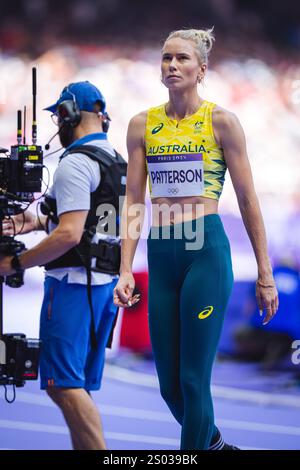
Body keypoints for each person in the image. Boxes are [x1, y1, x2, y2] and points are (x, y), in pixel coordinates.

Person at [113, 28, 279, 450]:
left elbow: (247, 199)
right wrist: (125, 268)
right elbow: (133, 200)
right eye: (166, 58)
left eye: (182, 59)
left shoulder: (222, 122)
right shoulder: (141, 125)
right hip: (162, 250)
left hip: (204, 250)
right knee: (170, 385)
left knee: (192, 379)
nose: (172, 65)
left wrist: (265, 273)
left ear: (201, 69)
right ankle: (217, 446)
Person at [0, 81, 128, 450]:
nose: (57, 122)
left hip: (73, 286)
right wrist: (27, 221)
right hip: (101, 286)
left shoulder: (75, 163)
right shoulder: (116, 161)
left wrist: (16, 263)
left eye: (59, 114)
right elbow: (71, 220)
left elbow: (69, 234)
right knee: (78, 386)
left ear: (69, 114)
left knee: (64, 386)